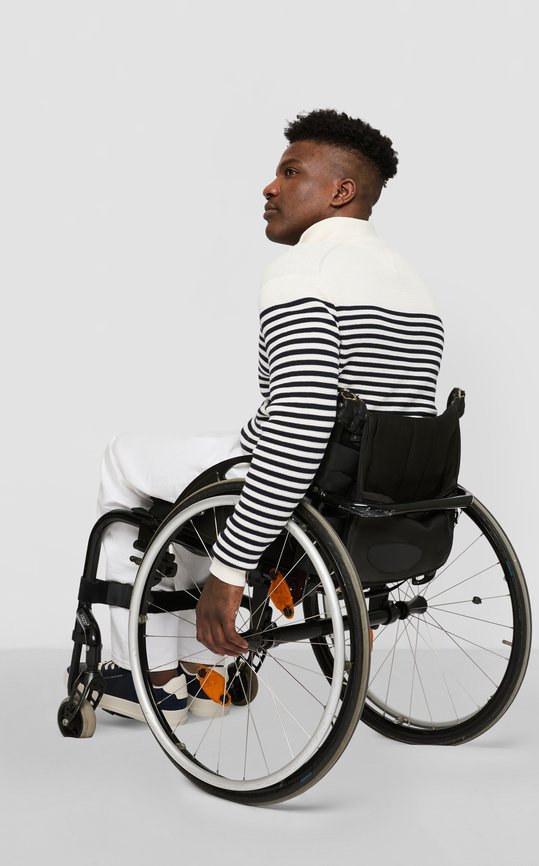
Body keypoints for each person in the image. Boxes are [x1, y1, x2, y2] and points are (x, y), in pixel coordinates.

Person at [94, 108, 444, 725]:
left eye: (291, 172)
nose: (270, 187)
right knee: (190, 481)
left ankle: (144, 675)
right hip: (377, 486)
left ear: (341, 191)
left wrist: (230, 570)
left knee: (124, 459)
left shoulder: (303, 271)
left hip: (304, 471)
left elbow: (299, 424)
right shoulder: (409, 280)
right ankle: (205, 670)